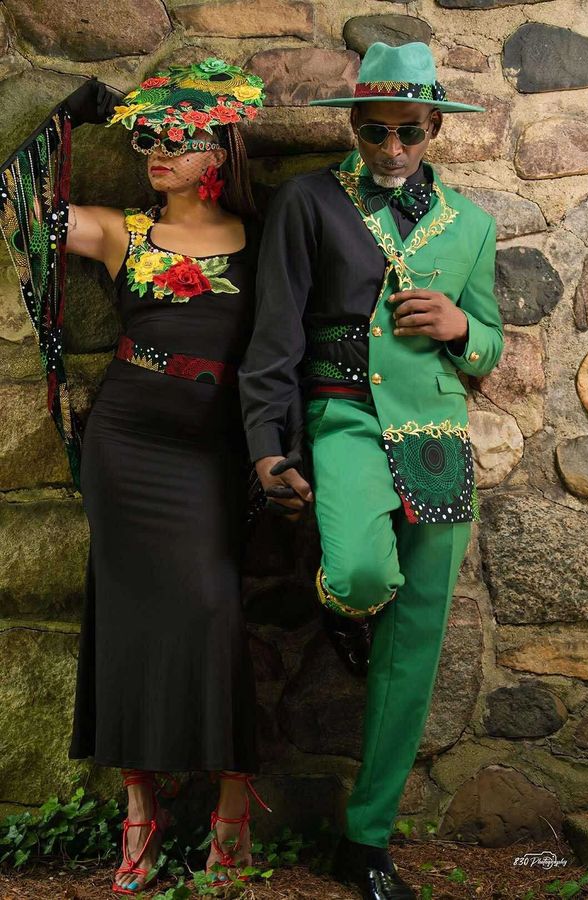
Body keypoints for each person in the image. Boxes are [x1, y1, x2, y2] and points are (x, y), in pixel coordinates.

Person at [239, 42, 504, 900]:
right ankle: (348, 610)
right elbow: (274, 334)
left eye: (409, 132)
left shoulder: (471, 224)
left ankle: (368, 839)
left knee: (416, 644)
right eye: (375, 131)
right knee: (357, 573)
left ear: (435, 130)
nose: (392, 148)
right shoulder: (308, 200)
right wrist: (267, 444)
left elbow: (491, 345)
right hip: (344, 417)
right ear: (353, 126)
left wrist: (462, 328)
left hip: (438, 435)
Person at [0, 59, 269, 896]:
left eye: (174, 139)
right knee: (127, 617)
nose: (155, 150)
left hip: (214, 449)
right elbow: (11, 202)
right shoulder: (123, 231)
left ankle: (232, 808)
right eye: (146, 136)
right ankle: (139, 817)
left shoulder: (259, 239)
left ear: (217, 152)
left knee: (215, 610)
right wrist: (65, 117)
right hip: (126, 443)